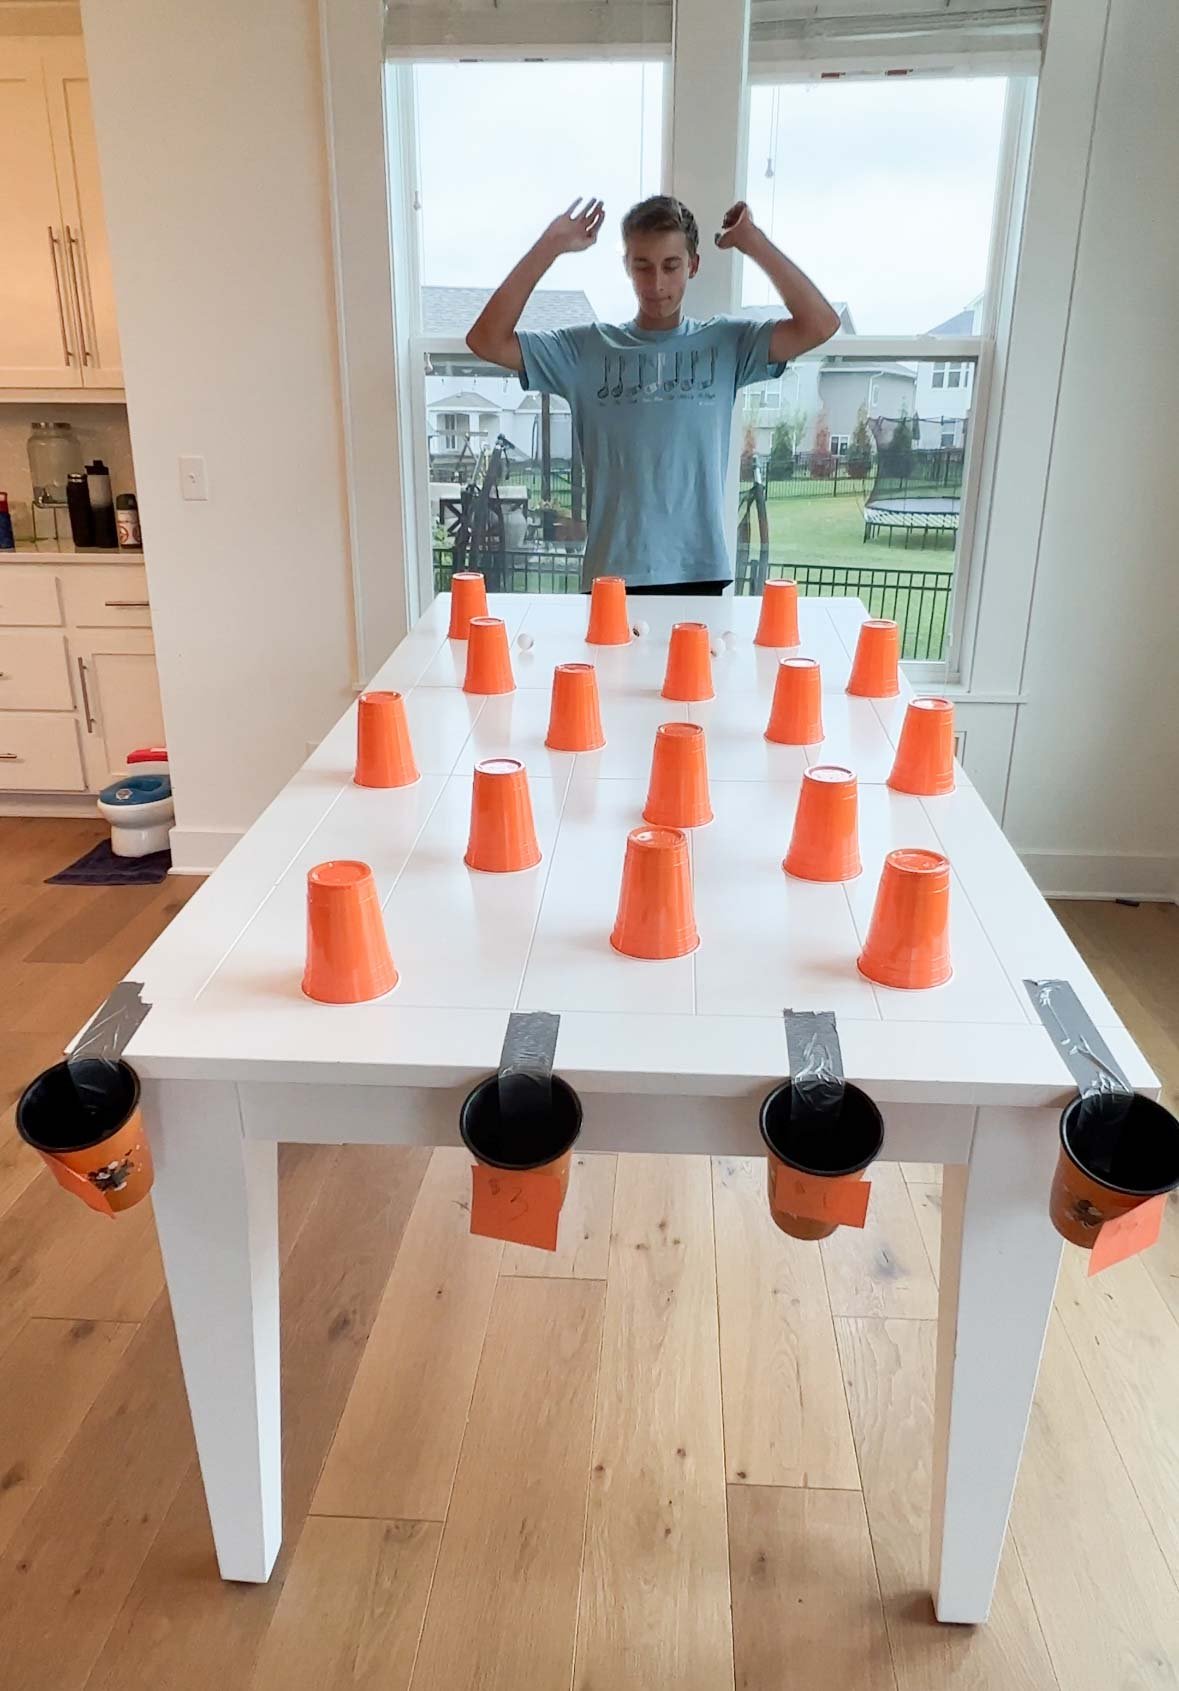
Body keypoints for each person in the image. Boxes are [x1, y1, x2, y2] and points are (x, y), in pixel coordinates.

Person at [466, 194, 840, 595]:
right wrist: (551, 245)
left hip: (698, 572)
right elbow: (485, 339)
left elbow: (820, 324)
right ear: (626, 266)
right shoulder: (586, 350)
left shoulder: (727, 343)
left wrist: (754, 242)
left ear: (693, 265)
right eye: (642, 266)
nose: (657, 284)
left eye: (671, 266)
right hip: (612, 576)